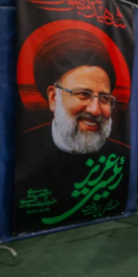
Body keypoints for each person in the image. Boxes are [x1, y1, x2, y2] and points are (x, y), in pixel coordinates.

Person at [13, 28, 130, 235]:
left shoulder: (122, 156)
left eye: (104, 98)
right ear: (53, 98)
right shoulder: (20, 150)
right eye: (83, 94)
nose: (95, 110)